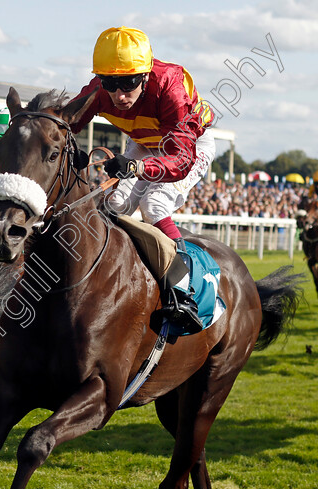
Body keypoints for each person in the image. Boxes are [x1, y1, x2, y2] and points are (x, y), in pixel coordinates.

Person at [69, 26, 216, 334]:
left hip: (188, 145)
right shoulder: (99, 89)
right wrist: (71, 151)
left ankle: (183, 290)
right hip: (143, 141)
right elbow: (66, 122)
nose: (120, 94)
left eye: (129, 83)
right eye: (111, 83)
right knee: (115, 204)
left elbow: (180, 160)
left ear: (146, 74)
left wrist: (136, 167)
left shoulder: (170, 86)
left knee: (154, 203)